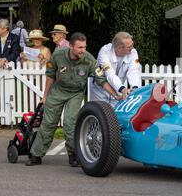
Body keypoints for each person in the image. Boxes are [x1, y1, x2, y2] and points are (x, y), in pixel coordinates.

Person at [25, 32, 120, 167]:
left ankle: (74, 155)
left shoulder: (89, 60)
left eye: (84, 47)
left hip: (75, 94)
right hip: (58, 91)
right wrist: (45, 96)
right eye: (80, 47)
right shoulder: (58, 55)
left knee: (71, 123)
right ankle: (36, 155)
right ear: (71, 46)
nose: (83, 50)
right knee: (48, 123)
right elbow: (50, 75)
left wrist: (115, 94)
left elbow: (101, 80)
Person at [90, 32, 142, 108]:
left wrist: (135, 88)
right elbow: (110, 74)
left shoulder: (133, 53)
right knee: (100, 116)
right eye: (129, 46)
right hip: (100, 91)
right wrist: (122, 89)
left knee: (115, 117)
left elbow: (134, 71)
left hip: (118, 91)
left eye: (132, 44)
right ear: (119, 48)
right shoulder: (105, 51)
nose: (132, 48)